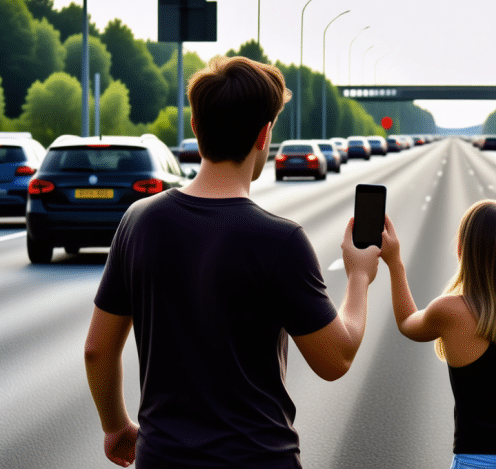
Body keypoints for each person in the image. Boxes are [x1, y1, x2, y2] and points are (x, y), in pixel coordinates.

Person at [84, 56, 380, 468]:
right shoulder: (280, 239)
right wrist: (359, 276)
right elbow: (336, 359)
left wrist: (115, 427)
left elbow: (97, 350)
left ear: (195, 127)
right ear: (264, 136)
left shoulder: (139, 221)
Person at [379, 200, 496, 469]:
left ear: (462, 250)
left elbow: (407, 322)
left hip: (480, 460)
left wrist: (395, 262)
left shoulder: (450, 310)